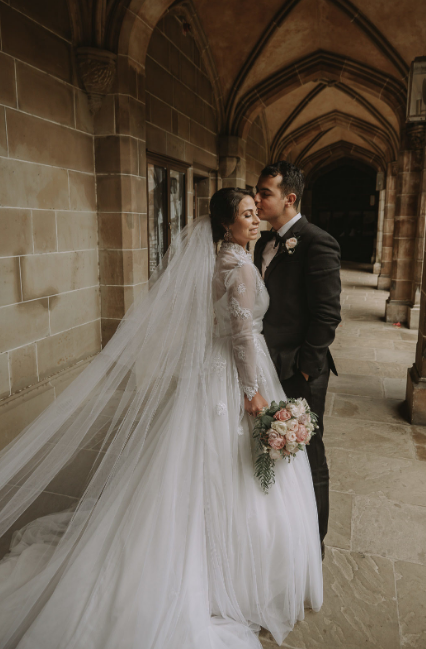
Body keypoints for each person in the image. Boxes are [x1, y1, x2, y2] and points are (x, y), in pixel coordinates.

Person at [0, 188, 322, 649]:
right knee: (232, 471)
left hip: (205, 378)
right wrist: (253, 395)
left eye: (256, 213)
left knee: (193, 464)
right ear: (227, 225)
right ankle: (230, 576)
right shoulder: (244, 270)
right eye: (247, 215)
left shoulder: (218, 263)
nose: (255, 220)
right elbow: (242, 340)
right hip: (233, 379)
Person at [254, 162, 342, 553]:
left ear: (289, 199)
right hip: (266, 364)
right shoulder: (262, 242)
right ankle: (283, 534)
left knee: (309, 451)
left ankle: (314, 544)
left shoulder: (316, 241)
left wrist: (306, 369)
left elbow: (326, 315)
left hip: (300, 370)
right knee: (275, 448)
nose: (257, 199)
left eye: (264, 193)